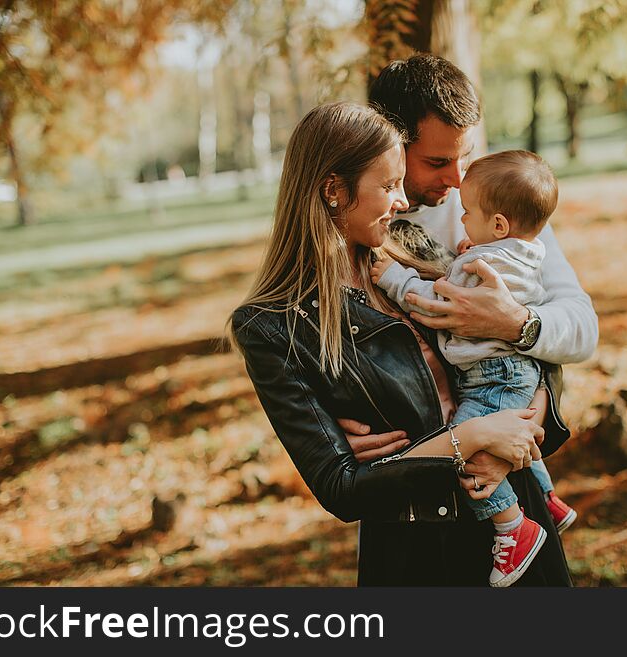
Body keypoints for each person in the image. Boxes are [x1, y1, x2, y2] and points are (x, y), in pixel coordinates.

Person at [230, 101, 574, 586]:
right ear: (333, 190)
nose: (402, 200)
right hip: (422, 551)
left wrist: (526, 417)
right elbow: (342, 486)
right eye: (388, 186)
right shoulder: (275, 326)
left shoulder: (417, 251)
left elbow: (525, 353)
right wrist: (470, 438)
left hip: (519, 518)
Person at [340, 53, 596, 528]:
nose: (457, 180)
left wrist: (515, 324)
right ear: (390, 143)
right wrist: (334, 434)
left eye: (465, 155)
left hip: (509, 480)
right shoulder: (354, 224)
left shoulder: (497, 206)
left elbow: (581, 328)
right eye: (437, 162)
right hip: (410, 511)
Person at [372, 149, 575, 586]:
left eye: (468, 213)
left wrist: (391, 275)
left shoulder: (476, 262)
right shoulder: (523, 251)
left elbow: (434, 302)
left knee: (467, 454)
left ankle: (512, 528)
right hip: (522, 372)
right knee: (512, 432)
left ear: (498, 225)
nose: (461, 219)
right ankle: (548, 497)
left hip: (493, 378)